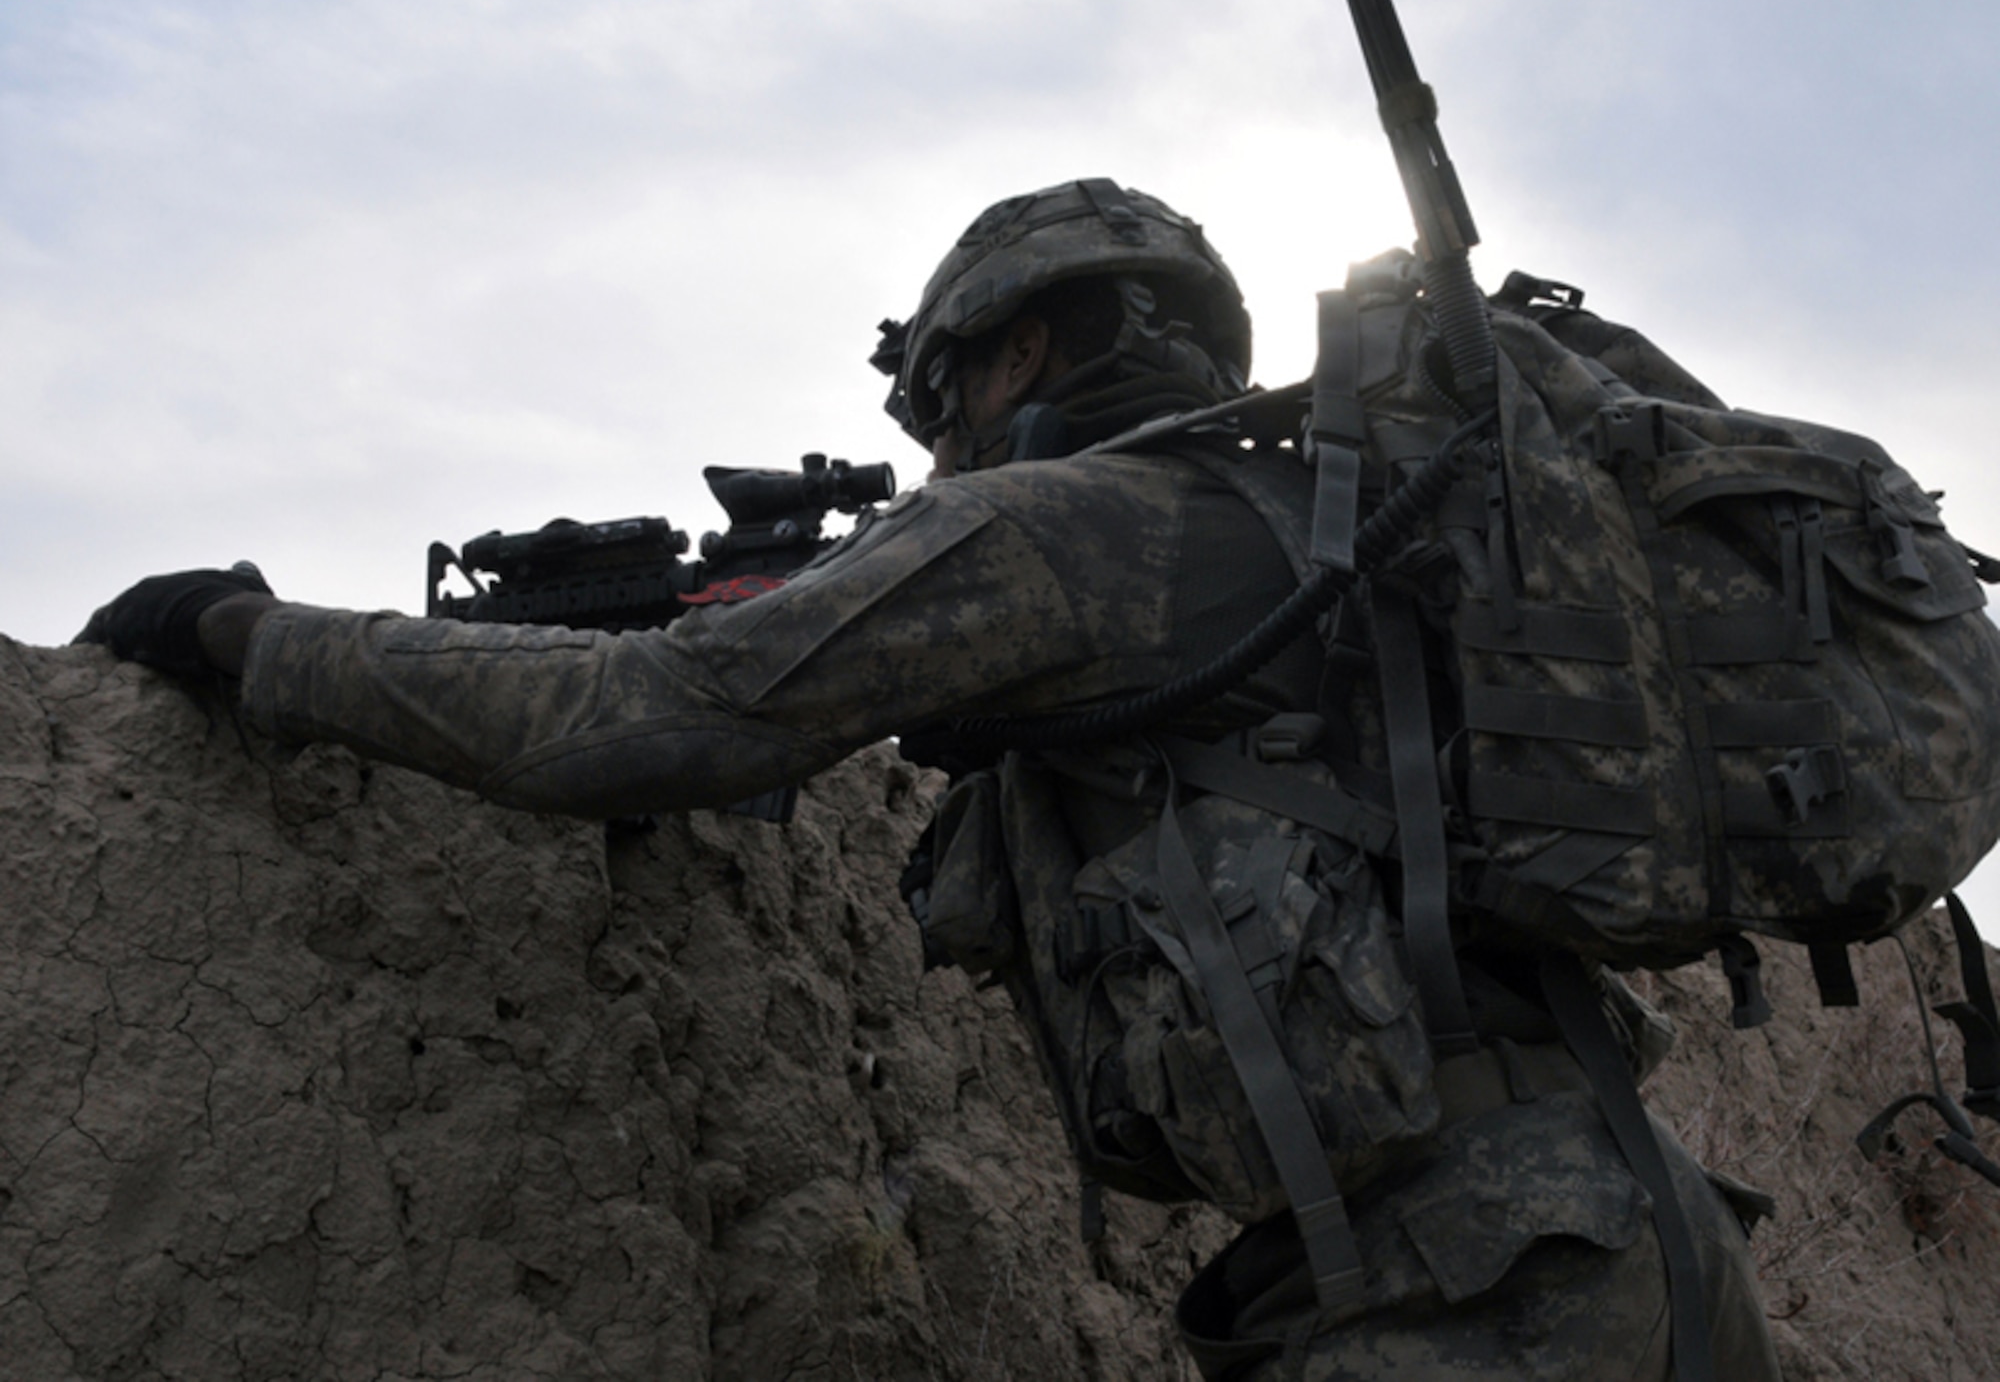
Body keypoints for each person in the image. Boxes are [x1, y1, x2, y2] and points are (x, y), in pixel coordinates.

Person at [82, 178, 1780, 1380]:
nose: (938, 440)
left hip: (1477, 1296)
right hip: (1641, 1250)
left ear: (1022, 351)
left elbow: (644, 720)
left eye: (937, 393)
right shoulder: (1328, 547)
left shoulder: (1061, 532)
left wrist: (254, 636)